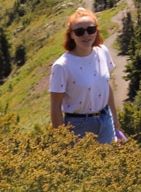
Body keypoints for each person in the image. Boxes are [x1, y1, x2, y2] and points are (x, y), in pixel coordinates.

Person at [48, 8, 123, 143]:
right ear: (71, 35)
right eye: (79, 32)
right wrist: (61, 140)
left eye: (91, 29)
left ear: (96, 31)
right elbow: (55, 106)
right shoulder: (62, 66)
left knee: (109, 162)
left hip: (105, 119)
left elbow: (106, 86)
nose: (86, 35)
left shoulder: (102, 52)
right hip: (78, 126)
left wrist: (114, 118)